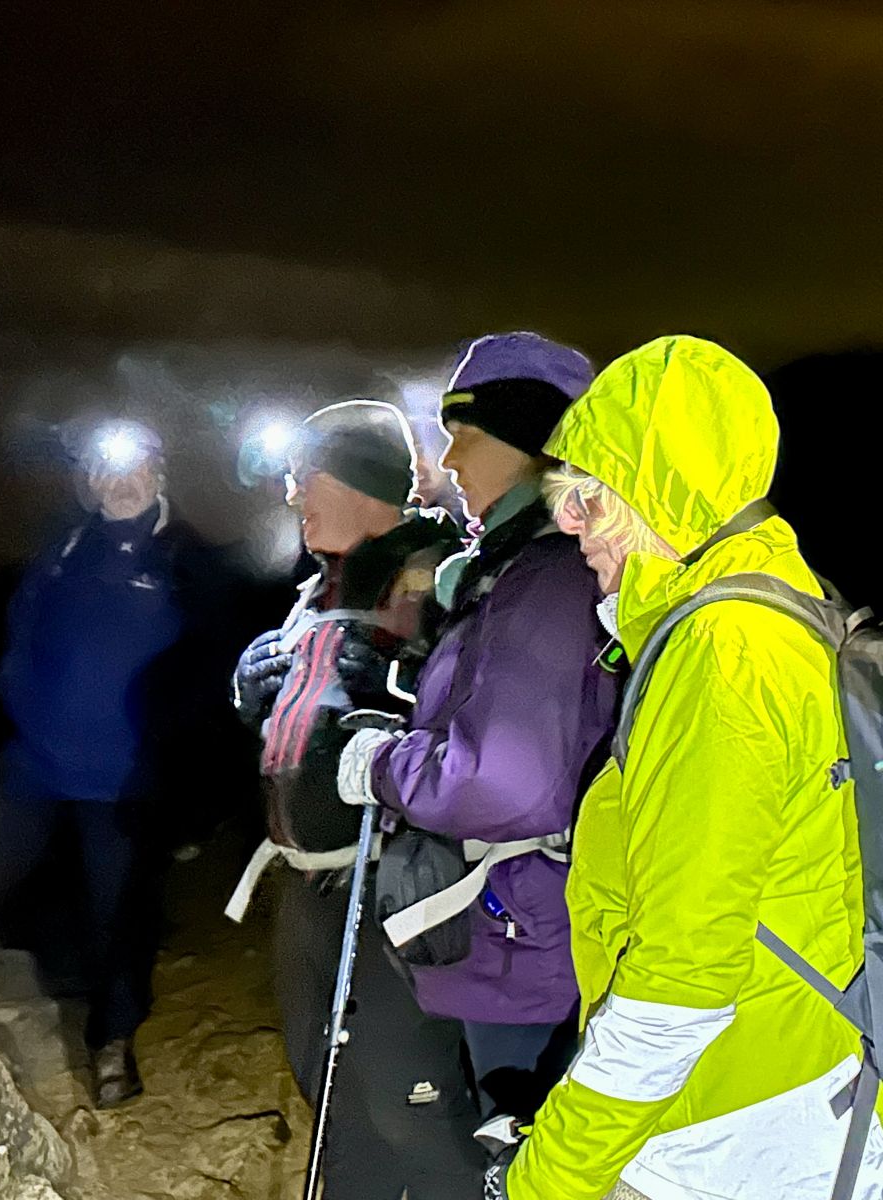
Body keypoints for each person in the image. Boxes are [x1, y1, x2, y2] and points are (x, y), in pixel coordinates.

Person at [492, 335, 881, 1199]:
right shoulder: (781, 606)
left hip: (730, 1132)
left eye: (589, 498)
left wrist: (548, 1179)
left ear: (662, 495)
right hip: (783, 1080)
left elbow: (680, 981)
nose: (568, 524)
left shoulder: (722, 654)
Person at [336, 333, 618, 1131]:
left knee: (517, 1152)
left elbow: (503, 781)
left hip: (529, 948)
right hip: (519, 931)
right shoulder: (515, 568)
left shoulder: (548, 580)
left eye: (468, 435)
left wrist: (382, 766)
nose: (449, 459)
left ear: (533, 448)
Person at [228, 397, 473, 1200]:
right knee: (330, 1098)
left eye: (306, 476)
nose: (291, 494)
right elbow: (304, 728)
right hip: (307, 889)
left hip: (393, 886)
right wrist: (254, 692)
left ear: (361, 482)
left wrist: (400, 688)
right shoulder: (317, 591)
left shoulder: (439, 578)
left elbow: (484, 737)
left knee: (414, 1113)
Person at [0, 420, 188, 1107]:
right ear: (90, 482)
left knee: (117, 916)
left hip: (124, 780)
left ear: (158, 475)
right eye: (106, 471)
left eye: (135, 468)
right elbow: (20, 636)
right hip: (37, 765)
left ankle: (112, 1042)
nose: (121, 483)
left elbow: (206, 668)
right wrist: (18, 706)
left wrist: (178, 770)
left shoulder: (184, 559)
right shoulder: (64, 552)